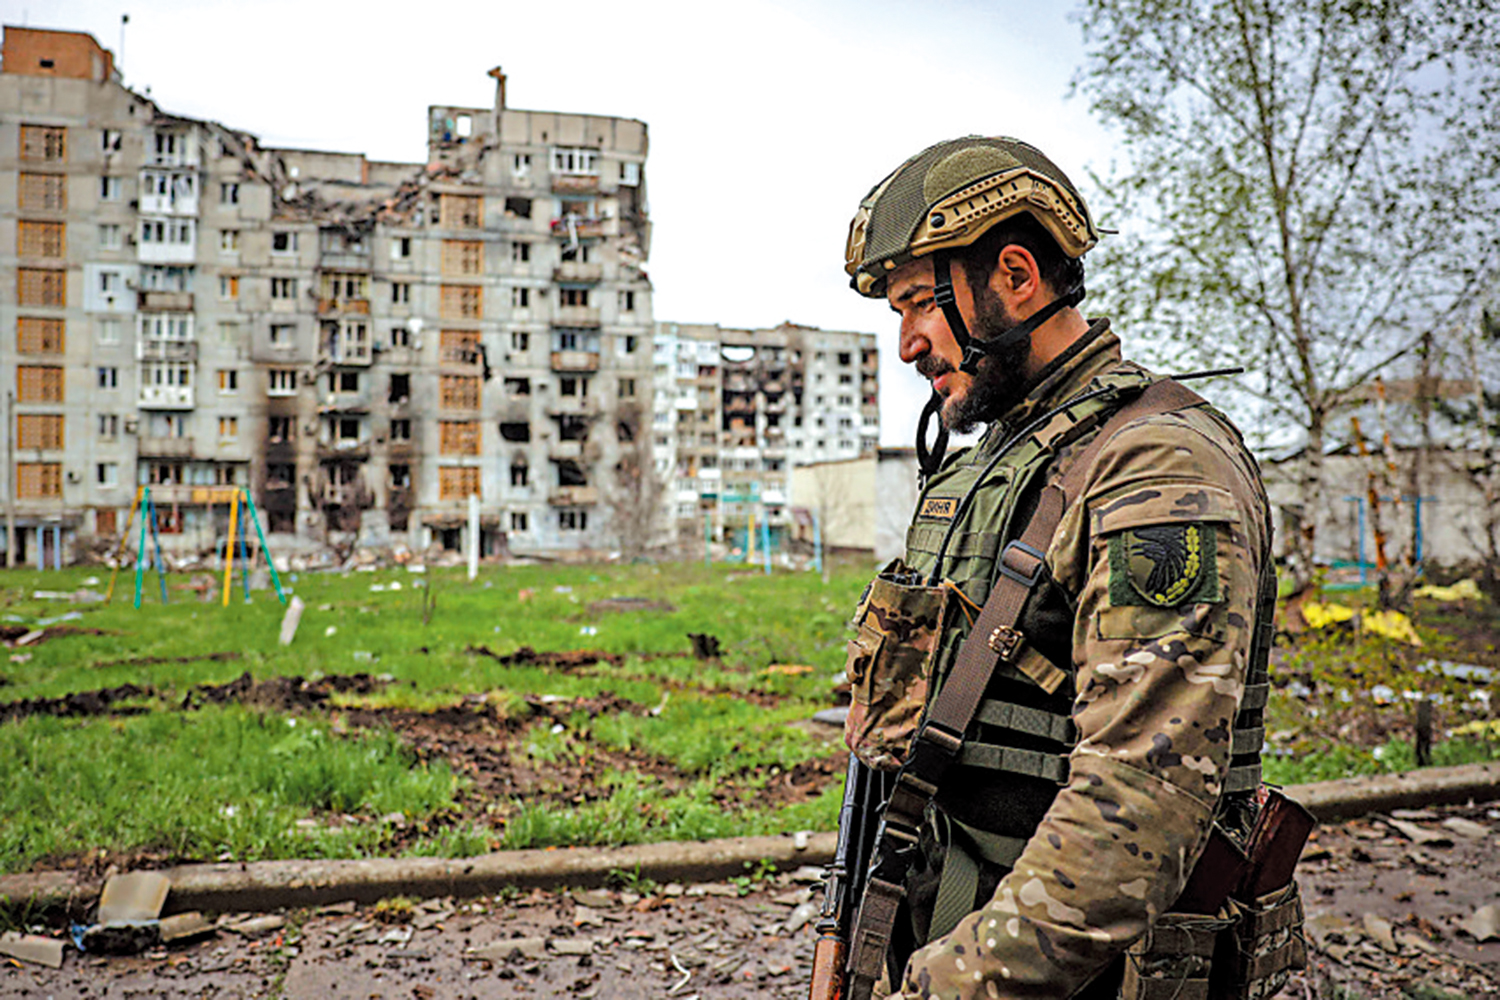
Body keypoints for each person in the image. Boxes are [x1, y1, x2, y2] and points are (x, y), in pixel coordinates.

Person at [839, 136, 1282, 999]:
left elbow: (1137, 811)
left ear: (1014, 275)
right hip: (958, 934)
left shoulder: (1158, 468)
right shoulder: (991, 463)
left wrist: (946, 987)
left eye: (919, 305)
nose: (906, 345)